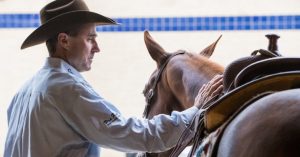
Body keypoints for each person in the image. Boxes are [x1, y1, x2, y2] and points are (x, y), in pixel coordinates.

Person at [4, 0, 223, 156]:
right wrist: (195, 112)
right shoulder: (65, 88)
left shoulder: (22, 94)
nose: (97, 48)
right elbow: (131, 134)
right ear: (64, 41)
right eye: (90, 38)